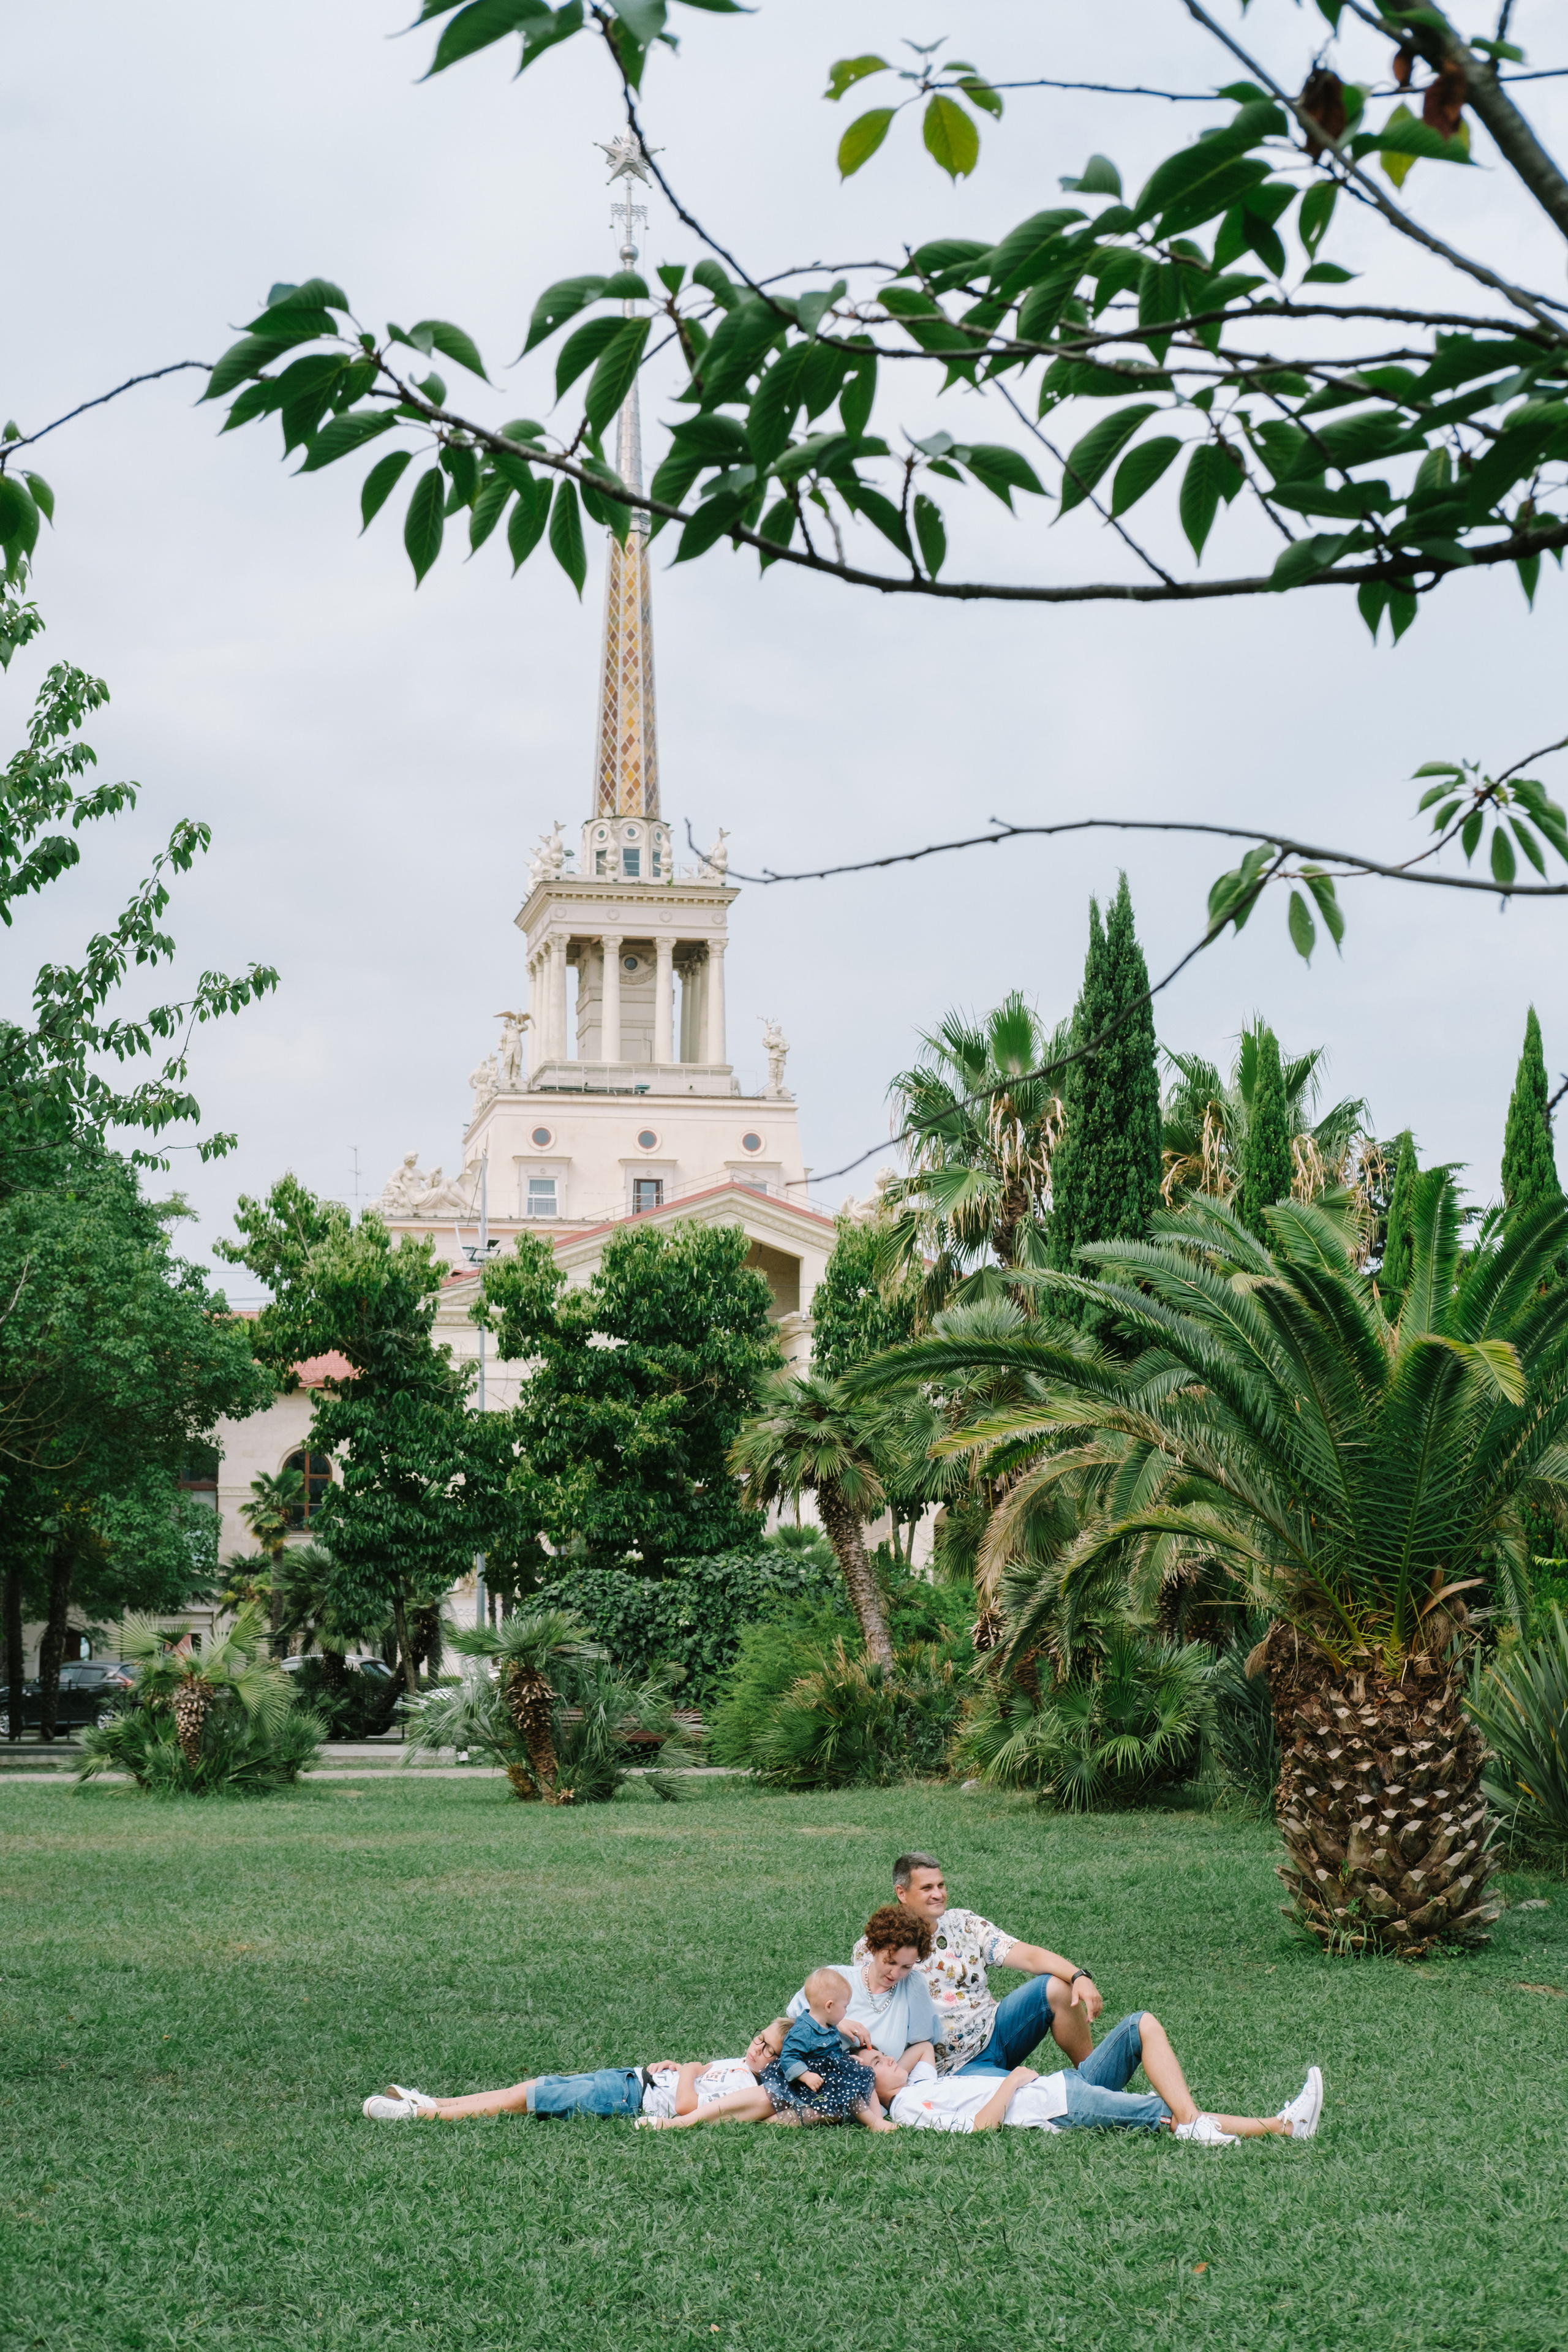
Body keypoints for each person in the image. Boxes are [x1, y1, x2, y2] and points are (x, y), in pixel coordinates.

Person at [888, 2012, 1324, 2147]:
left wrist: (872, 2052)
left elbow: (922, 2048)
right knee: (1161, 2109)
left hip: (1066, 2081)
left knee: (1140, 2025)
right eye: (876, 2062)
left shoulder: (917, 2085)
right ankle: (1284, 2126)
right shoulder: (907, 2107)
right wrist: (1013, 2081)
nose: (885, 2058)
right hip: (1059, 2107)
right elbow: (979, 2129)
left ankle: (1191, 2122)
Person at [867, 1849, 1102, 2075]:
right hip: (955, 2065)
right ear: (902, 1893)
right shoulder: (878, 1948)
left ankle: (1094, 2076)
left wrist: (1078, 1976)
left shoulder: (964, 1922)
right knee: (1025, 2092)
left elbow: (1029, 1956)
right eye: (927, 1888)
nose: (938, 1894)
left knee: (1058, 1987)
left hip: (998, 2029)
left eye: (941, 1885)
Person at [361, 2020, 788, 2123]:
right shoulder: (737, 2064)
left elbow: (687, 2107)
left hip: (629, 2099)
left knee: (527, 2099)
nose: (759, 2049)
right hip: (632, 2078)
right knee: (535, 2085)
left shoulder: (749, 2087)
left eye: (770, 2051)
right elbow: (693, 2073)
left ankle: (417, 2115)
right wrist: (675, 2067)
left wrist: (690, 2071)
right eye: (760, 2038)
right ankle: (436, 2101)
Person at [783, 1904, 939, 2107]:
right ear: (874, 1949)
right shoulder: (835, 1979)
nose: (895, 1974)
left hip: (877, 2090)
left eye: (906, 1967)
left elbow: (923, 2042)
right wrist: (835, 2023)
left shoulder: (913, 1986)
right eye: (890, 1962)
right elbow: (790, 2024)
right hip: (817, 2081)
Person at [764, 1969, 894, 2132]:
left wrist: (846, 2059)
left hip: (831, 2071)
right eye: (845, 2007)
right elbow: (788, 2058)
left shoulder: (829, 2025)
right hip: (815, 2079)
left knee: (866, 2074)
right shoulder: (802, 2031)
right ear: (829, 2006)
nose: (846, 2012)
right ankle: (874, 2124)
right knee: (849, 2088)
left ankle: (878, 2120)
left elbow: (832, 2051)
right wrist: (806, 2076)